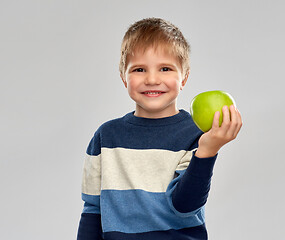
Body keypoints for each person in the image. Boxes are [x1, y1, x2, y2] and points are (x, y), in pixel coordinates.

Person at [77, 17, 242, 240]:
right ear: (123, 78)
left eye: (165, 68)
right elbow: (92, 211)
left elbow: (184, 206)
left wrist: (207, 152)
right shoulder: (106, 136)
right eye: (139, 69)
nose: (152, 79)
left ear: (184, 77)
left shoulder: (196, 135)